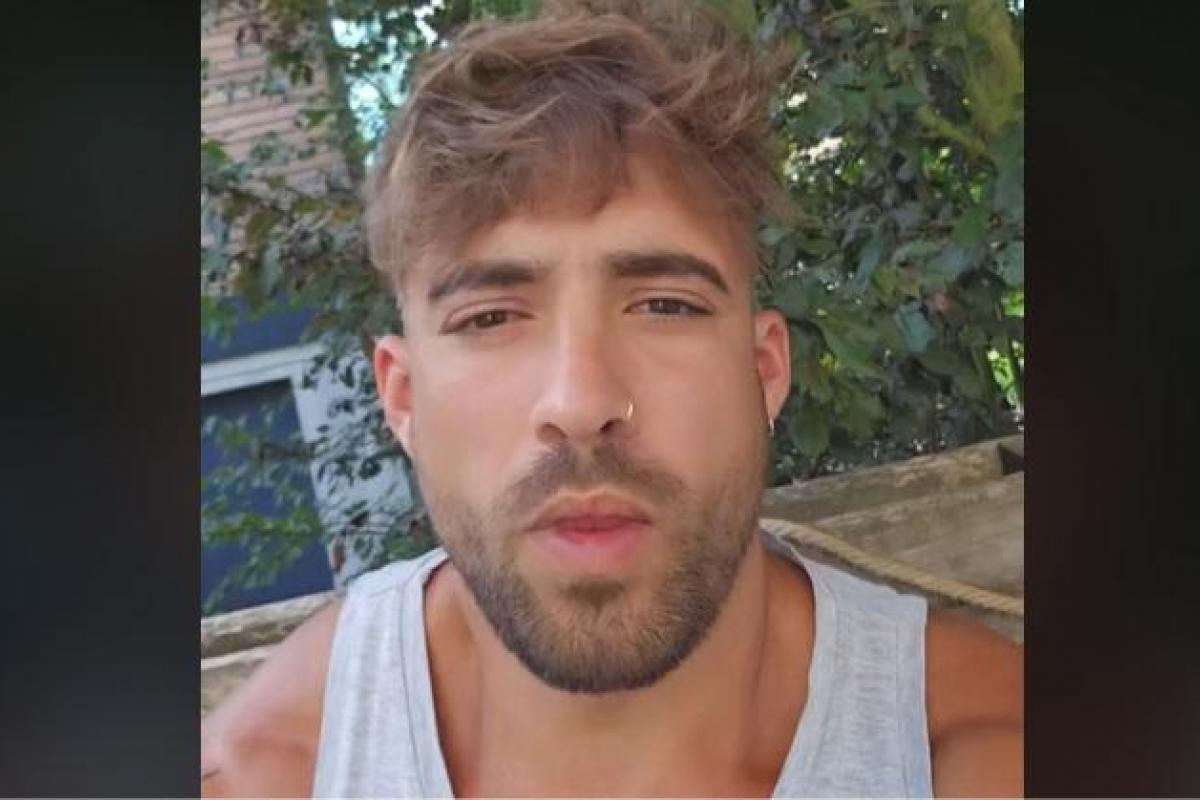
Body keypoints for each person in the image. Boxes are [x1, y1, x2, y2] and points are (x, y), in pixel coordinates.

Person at [201, 1, 1022, 796]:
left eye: (665, 306)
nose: (580, 401)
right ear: (404, 399)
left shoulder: (984, 747)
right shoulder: (261, 773)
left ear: (764, 372)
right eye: (490, 318)